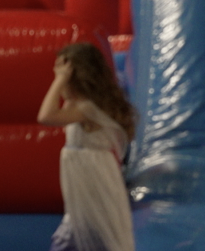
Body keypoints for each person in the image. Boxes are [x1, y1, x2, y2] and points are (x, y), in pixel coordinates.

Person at [37, 42, 137, 251]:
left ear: (75, 76)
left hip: (93, 187)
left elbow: (45, 116)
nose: (56, 75)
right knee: (87, 237)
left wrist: (60, 80)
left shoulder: (87, 109)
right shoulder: (81, 105)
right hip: (87, 187)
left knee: (77, 237)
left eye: (61, 71)